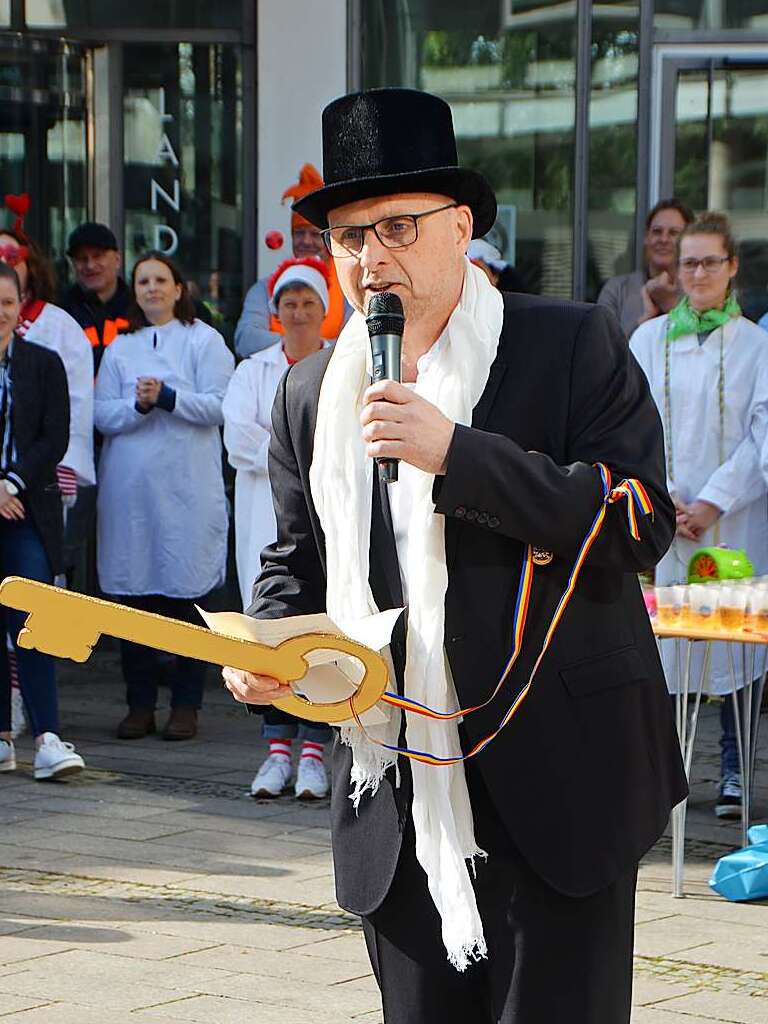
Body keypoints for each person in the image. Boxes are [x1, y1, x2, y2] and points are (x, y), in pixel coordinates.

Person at [222, 87, 687, 1023]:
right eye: (350, 238)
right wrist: (268, 642)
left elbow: (640, 523)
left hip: (564, 778)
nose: (371, 257)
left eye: (399, 226)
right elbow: (291, 561)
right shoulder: (308, 392)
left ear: (462, 227)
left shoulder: (567, 342)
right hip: (396, 786)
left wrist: (457, 454)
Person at [630, 211, 768, 820]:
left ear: (732, 266)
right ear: (674, 268)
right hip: (666, 521)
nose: (700, 272)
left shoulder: (757, 345)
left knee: (733, 639)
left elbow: (762, 433)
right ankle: (668, 773)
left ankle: (736, 770)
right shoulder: (647, 339)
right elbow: (630, 427)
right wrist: (666, 500)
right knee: (668, 651)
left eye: (712, 260)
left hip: (730, 521)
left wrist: (714, 501)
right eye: (690, 261)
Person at [94, 252, 234, 742]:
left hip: (186, 494)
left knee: (187, 600)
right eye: (142, 281)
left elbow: (222, 404)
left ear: (179, 288)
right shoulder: (120, 348)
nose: (151, 288)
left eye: (160, 280)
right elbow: (101, 414)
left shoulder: (204, 340)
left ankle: (186, 705)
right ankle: (139, 704)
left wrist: (169, 397)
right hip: (131, 497)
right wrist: (138, 404)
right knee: (135, 600)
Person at [223, 257, 332, 800]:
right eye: (289, 303)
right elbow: (239, 441)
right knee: (269, 625)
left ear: (324, 310)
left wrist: (279, 440)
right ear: (276, 312)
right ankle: (275, 753)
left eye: (308, 303)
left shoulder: (341, 366)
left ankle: (314, 752)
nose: (298, 312)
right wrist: (290, 446)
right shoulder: (252, 370)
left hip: (325, 517)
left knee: (318, 626)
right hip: (263, 518)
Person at [0, 261, 86, 780]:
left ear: (21, 304)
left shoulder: (43, 362)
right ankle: (2, 739)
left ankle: (48, 736)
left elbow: (54, 438)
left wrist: (10, 483)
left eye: (7, 303)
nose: (0, 313)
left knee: (33, 618)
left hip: (26, 509)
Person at [0, 226, 95, 511]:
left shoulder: (59, 324)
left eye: (12, 257)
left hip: (40, 477)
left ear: (29, 266)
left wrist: (67, 465)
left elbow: (76, 401)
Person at [234, 164, 352, 357]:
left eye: (314, 234)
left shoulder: (348, 286)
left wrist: (296, 346)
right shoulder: (264, 288)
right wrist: (307, 345)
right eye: (299, 233)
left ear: (328, 238)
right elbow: (246, 340)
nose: (306, 241)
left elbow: (354, 346)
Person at [598, 198, 694, 338]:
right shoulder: (617, 290)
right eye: (657, 231)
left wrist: (671, 306)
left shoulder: (697, 291)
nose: (663, 239)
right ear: (646, 237)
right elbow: (602, 350)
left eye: (673, 233)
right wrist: (644, 321)